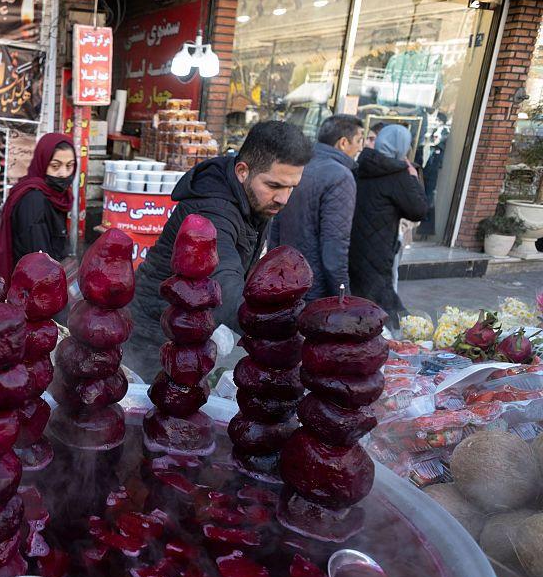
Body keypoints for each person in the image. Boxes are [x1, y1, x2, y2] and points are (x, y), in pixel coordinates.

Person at [128, 121, 312, 379]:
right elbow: (224, 283)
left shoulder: (253, 200)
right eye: (274, 186)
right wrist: (287, 328)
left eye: (291, 187)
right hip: (157, 331)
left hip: (189, 329)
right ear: (242, 171)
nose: (283, 198)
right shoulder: (212, 210)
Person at [268, 114, 362, 300]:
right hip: (313, 285)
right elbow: (335, 244)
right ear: (343, 143)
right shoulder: (340, 176)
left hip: (285, 277)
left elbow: (275, 226)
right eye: (359, 140)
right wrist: (343, 297)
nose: (361, 147)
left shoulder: (299, 164)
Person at [349, 124, 427, 328]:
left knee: (360, 299)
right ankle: (394, 345)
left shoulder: (361, 165)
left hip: (353, 244)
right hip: (379, 247)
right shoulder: (398, 174)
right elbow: (418, 210)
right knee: (383, 308)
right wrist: (412, 176)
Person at [0, 133, 74, 282]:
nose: (63, 173)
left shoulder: (54, 195)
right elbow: (41, 265)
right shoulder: (34, 201)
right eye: (55, 166)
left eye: (69, 166)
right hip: (36, 292)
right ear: (43, 163)